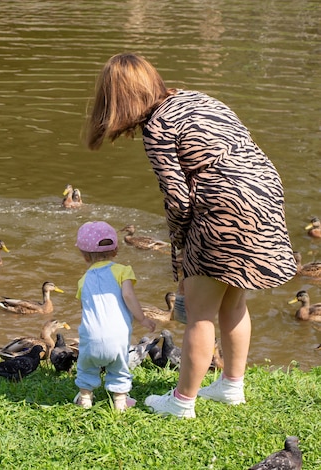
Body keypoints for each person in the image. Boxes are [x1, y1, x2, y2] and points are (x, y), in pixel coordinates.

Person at [85, 53, 297, 418]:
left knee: (199, 313)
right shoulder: (197, 98)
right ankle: (231, 386)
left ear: (118, 98)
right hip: (264, 191)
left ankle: (181, 402)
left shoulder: (157, 126)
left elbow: (179, 200)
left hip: (224, 205)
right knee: (233, 300)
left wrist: (181, 261)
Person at [73, 221, 156, 411]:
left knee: (86, 369)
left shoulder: (83, 281)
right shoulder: (122, 271)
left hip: (90, 336)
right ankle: (120, 402)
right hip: (117, 337)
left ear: (84, 256)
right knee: (119, 370)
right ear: (116, 250)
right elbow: (128, 295)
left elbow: (84, 308)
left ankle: (85, 398)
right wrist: (142, 318)